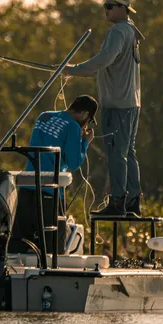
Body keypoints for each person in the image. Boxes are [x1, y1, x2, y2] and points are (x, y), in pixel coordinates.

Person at [64, 0, 145, 217]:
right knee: (128, 152)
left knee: (116, 154)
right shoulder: (130, 31)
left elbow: (104, 60)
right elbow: (107, 68)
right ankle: (132, 204)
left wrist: (74, 69)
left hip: (117, 106)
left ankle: (117, 203)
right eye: (105, 6)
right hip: (131, 104)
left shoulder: (118, 32)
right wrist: (75, 71)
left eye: (110, 6)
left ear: (123, 9)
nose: (106, 10)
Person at [10, 95, 97, 255]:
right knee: (52, 247)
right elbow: (73, 163)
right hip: (50, 190)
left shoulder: (45, 115)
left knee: (20, 242)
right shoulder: (73, 127)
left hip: (27, 185)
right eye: (89, 120)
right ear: (85, 114)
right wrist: (85, 142)